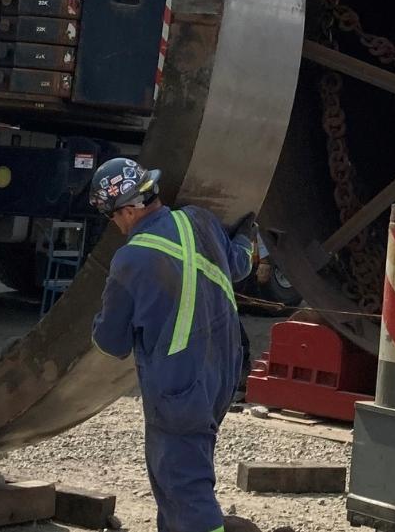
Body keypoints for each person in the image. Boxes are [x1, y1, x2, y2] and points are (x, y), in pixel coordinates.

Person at [89, 157, 259, 532]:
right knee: (175, 483)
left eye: (113, 216)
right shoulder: (199, 221)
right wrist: (248, 237)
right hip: (220, 378)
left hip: (178, 391)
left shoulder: (130, 259)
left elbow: (110, 343)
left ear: (130, 209)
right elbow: (238, 264)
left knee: (185, 490)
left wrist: (102, 318)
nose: (115, 225)